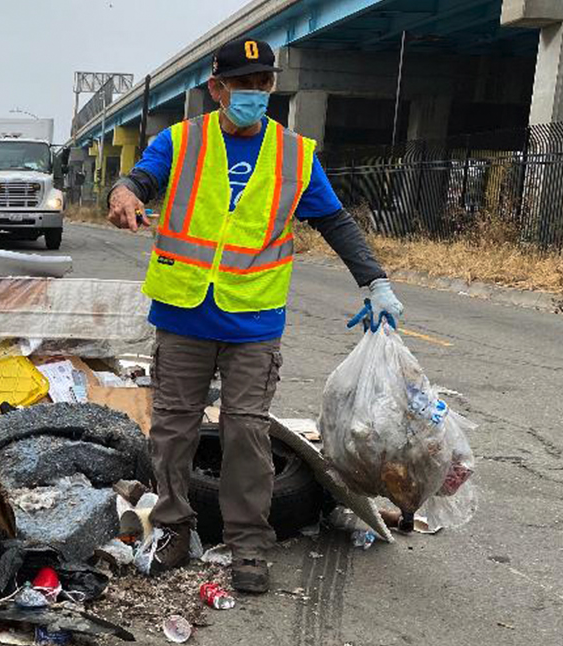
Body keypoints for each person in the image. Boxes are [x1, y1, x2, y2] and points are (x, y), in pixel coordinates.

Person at [107, 37, 404, 594]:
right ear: (217, 90)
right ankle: (173, 528)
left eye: (263, 84)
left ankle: (248, 545)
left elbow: (335, 222)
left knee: (246, 432)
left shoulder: (294, 154)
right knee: (174, 430)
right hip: (184, 313)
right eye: (242, 85)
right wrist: (123, 191)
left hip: (254, 320)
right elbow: (140, 180)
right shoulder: (181, 140)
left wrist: (376, 281)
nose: (254, 94)